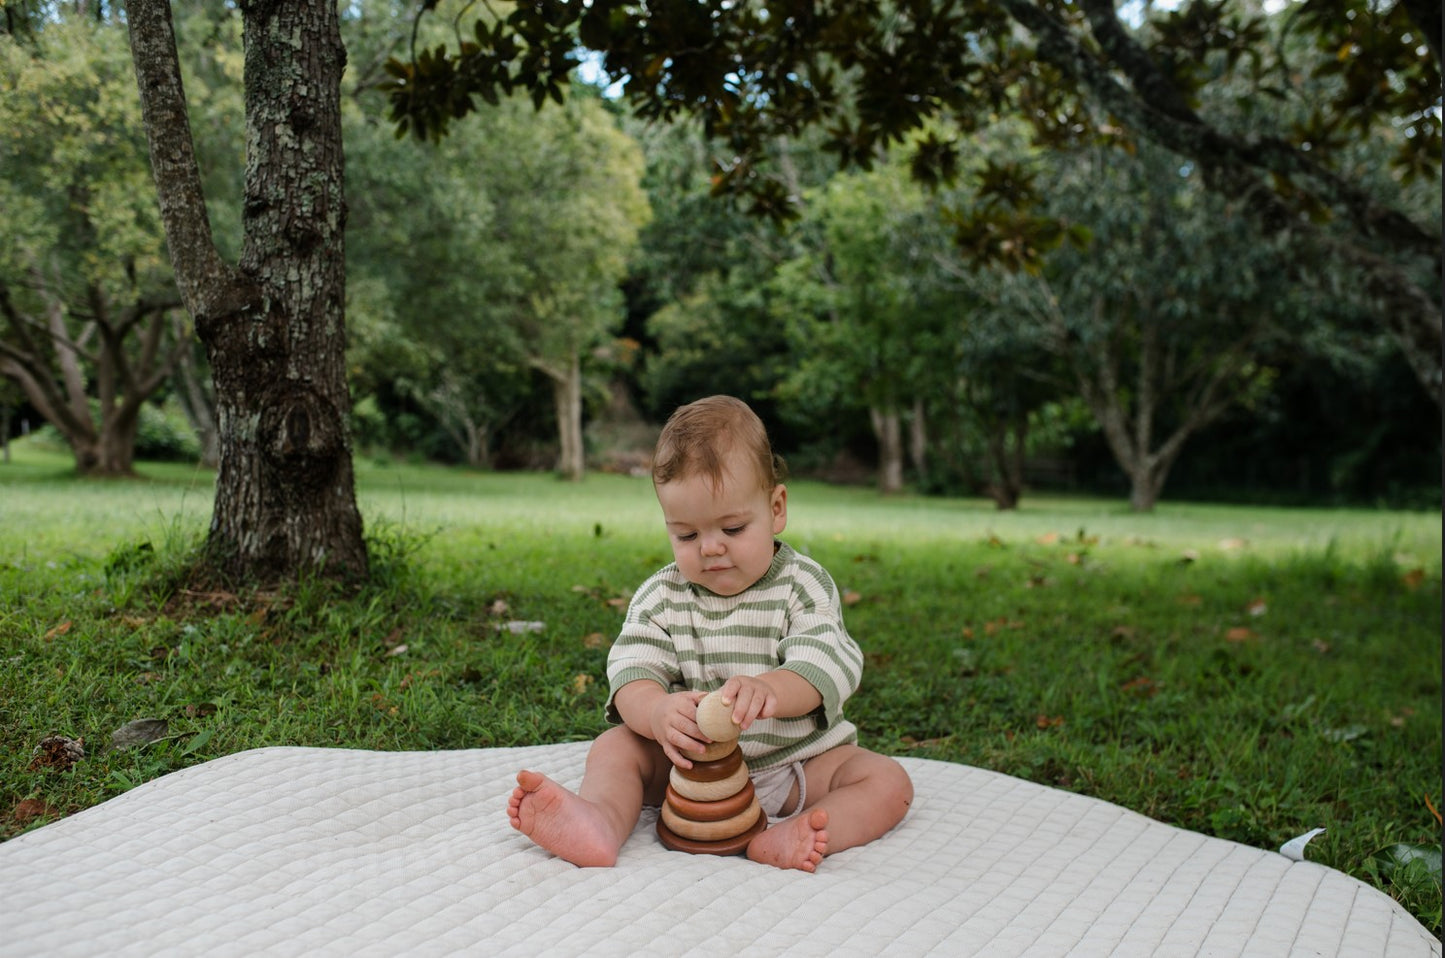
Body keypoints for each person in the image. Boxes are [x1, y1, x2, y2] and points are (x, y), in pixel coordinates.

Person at [508, 395, 913, 872]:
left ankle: (793, 835)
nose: (712, 548)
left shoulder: (802, 587)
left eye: (734, 527)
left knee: (887, 781)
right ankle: (599, 821)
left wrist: (770, 690)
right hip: (689, 771)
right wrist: (657, 711)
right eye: (686, 535)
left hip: (795, 766)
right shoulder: (661, 596)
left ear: (776, 508)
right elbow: (631, 672)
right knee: (614, 748)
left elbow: (826, 663)